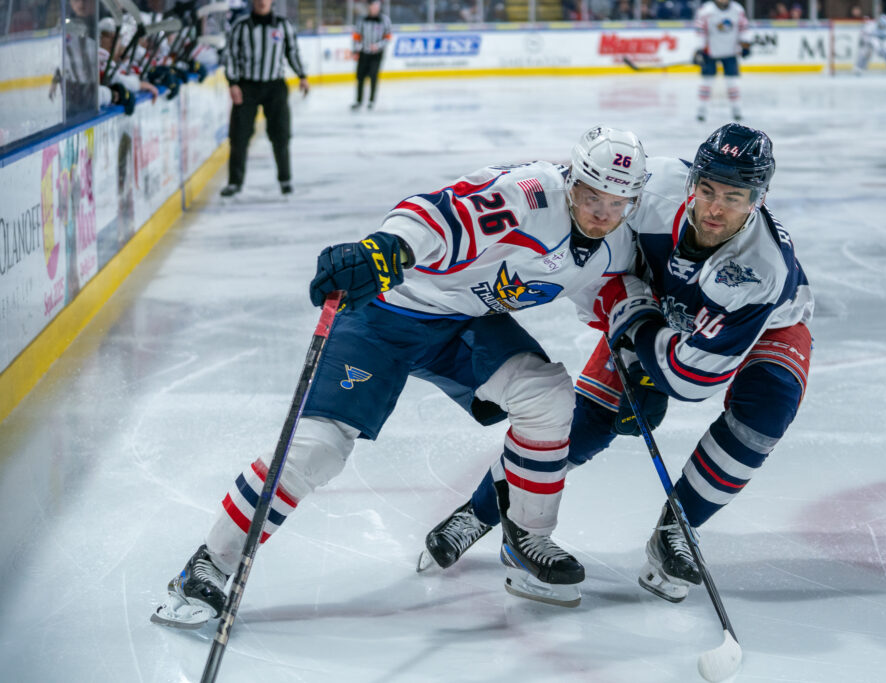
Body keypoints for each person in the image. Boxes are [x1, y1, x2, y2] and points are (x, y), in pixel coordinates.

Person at [151, 126, 650, 628]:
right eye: (592, 197)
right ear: (573, 180)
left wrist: (636, 364)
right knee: (318, 447)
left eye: (617, 203)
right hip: (386, 316)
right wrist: (386, 250)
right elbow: (442, 213)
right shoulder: (531, 195)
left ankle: (528, 541)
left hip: (465, 324)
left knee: (547, 397)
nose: (602, 214)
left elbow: (614, 298)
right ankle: (208, 564)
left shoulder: (614, 241)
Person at [421, 123, 813, 605]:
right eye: (707, 190)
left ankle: (678, 528)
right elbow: (597, 260)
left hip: (762, 324)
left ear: (758, 198)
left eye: (733, 198)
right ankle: (479, 513)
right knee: (589, 421)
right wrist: (628, 324)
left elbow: (693, 379)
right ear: (692, 181)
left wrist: (644, 342)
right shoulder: (652, 188)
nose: (714, 208)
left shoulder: (761, 267)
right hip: (654, 306)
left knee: (767, 411)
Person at [220, 0, 309, 198]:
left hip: (275, 86)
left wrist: (302, 75)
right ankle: (234, 183)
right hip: (247, 86)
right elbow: (231, 55)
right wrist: (233, 82)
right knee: (239, 136)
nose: (262, 1)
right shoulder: (240, 26)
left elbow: (292, 51)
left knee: (281, 135)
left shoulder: (283, 25)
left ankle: (285, 179)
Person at [693, 0, 752, 122]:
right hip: (710, 52)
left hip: (730, 52)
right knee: (706, 82)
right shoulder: (706, 10)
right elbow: (700, 31)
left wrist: (745, 44)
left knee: (732, 83)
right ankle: (701, 111)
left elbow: (744, 28)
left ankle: (737, 110)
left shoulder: (737, 10)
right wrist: (699, 49)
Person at [350, 1, 391, 111]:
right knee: (360, 77)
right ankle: (358, 101)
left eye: (377, 6)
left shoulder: (385, 20)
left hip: (377, 54)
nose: (374, 8)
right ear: (369, 7)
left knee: (373, 76)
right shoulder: (362, 19)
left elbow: (388, 37)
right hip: (364, 52)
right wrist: (356, 49)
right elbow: (356, 35)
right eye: (373, 6)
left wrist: (378, 46)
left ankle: (371, 101)